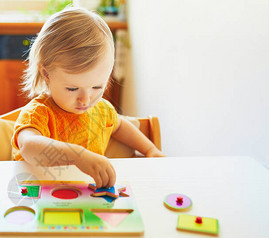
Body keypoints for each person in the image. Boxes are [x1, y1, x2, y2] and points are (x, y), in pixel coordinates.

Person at [11, 7, 164, 188]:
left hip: (86, 193)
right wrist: (77, 155)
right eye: (73, 88)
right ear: (46, 74)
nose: (86, 99)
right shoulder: (39, 114)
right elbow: (29, 147)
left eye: (97, 86)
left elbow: (119, 125)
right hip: (38, 196)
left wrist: (149, 149)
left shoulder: (101, 109)